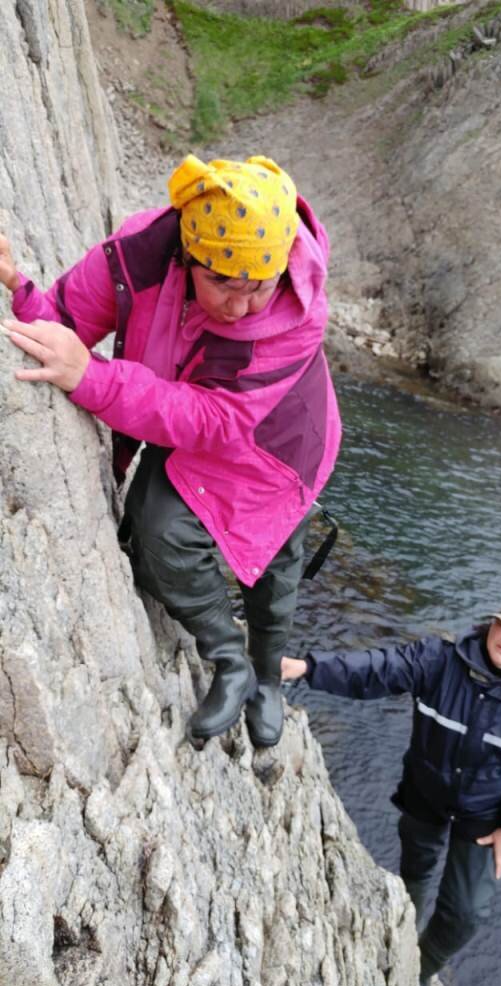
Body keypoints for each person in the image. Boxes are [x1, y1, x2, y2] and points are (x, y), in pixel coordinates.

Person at [0, 153, 342, 748]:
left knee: (276, 560)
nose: (241, 307)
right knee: (158, 534)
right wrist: (19, 288)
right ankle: (228, 655)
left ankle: (268, 677)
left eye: (257, 288)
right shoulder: (142, 254)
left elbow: (215, 419)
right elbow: (67, 322)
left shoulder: (299, 313)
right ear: (188, 256)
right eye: (223, 286)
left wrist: (93, 378)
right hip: (189, 406)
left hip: (282, 446)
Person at [281, 595, 501, 986]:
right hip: (425, 792)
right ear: (491, 623)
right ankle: (405, 925)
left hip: (484, 815)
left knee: (468, 910)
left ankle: (420, 968)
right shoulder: (439, 660)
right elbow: (377, 670)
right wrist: (307, 668)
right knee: (416, 866)